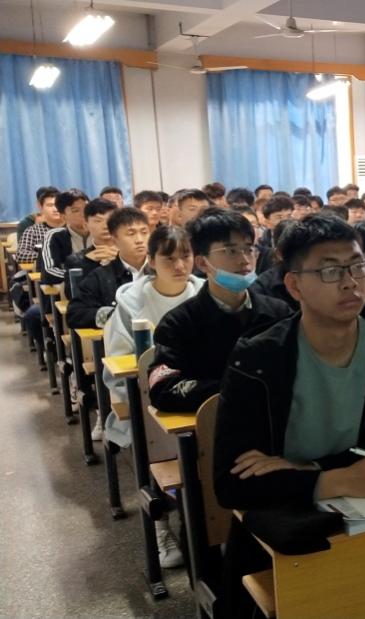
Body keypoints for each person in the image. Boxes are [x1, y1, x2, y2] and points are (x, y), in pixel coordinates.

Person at [214, 214, 365, 617]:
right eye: (330, 271)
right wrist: (335, 480)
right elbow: (232, 482)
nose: (351, 282)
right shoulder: (259, 357)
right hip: (286, 536)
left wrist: (304, 468)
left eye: (357, 266)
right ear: (294, 285)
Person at [102, 224, 203, 570]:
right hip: (151, 402)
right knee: (157, 447)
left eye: (186, 256)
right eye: (169, 258)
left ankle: (210, 526)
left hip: (199, 397)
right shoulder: (131, 301)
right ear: (152, 260)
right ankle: (161, 524)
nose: (180, 265)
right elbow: (118, 362)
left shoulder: (205, 294)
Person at [148, 207, 291, 413]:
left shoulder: (279, 313)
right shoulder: (178, 323)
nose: (245, 260)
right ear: (202, 262)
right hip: (212, 425)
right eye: (231, 251)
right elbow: (163, 389)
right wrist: (237, 388)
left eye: (249, 249)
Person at [68, 207, 151, 331]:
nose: (139, 240)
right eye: (131, 234)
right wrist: (116, 316)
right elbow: (75, 314)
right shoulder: (101, 276)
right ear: (114, 240)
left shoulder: (162, 271)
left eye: (144, 232)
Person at [40, 189, 90, 284]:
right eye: (76, 211)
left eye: (87, 208)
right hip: (70, 288)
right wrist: (84, 277)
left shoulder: (103, 232)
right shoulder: (55, 236)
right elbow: (49, 272)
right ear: (63, 216)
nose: (84, 214)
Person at [15, 187, 62, 263]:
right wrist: (49, 256)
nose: (55, 209)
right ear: (41, 207)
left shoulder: (72, 228)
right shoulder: (33, 231)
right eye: (50, 205)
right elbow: (20, 255)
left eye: (58, 205)